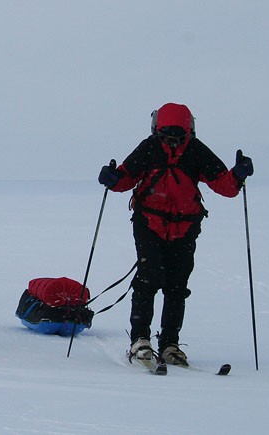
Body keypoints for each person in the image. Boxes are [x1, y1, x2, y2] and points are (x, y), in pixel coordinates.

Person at [98, 102, 253, 366]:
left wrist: (112, 179)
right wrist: (237, 176)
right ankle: (161, 343)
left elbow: (125, 179)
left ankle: (148, 342)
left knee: (160, 282)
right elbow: (224, 185)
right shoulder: (192, 150)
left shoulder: (156, 147)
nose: (172, 141)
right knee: (169, 284)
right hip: (163, 225)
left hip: (167, 225)